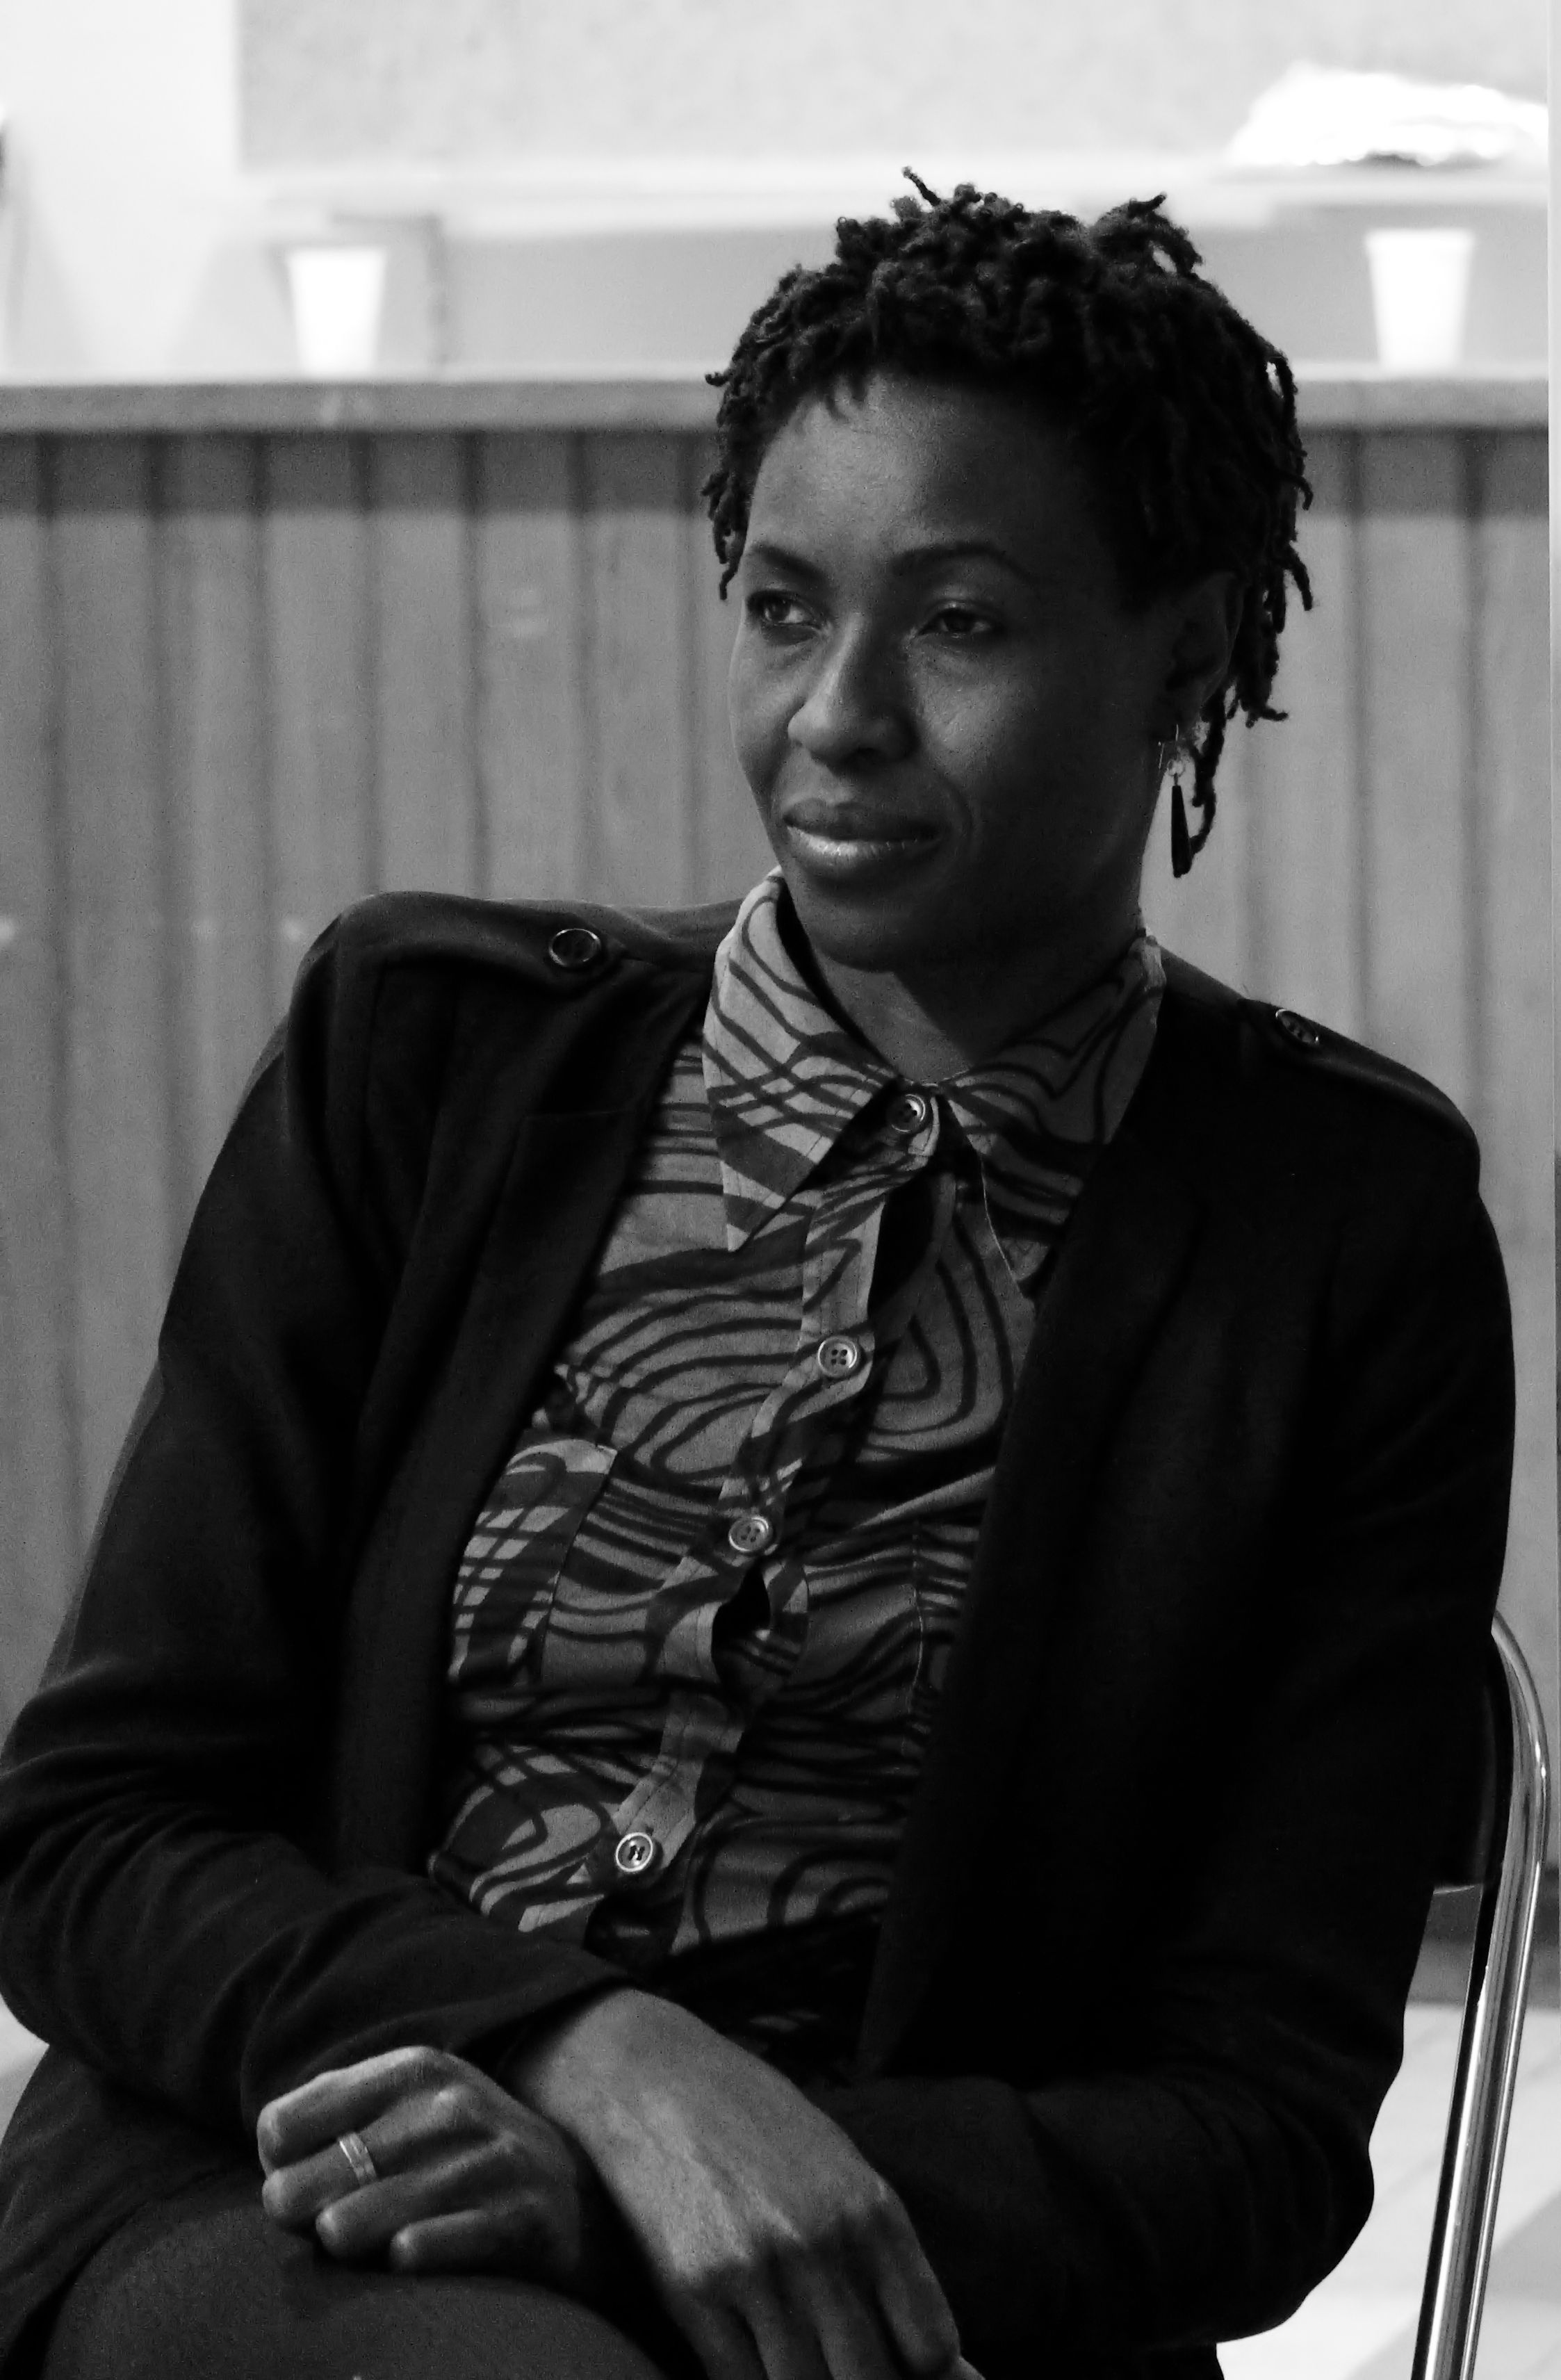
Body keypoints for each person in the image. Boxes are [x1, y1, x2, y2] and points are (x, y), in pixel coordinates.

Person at [0, 177, 1514, 2380]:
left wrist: (717, 2181)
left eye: (962, 625)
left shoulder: (1334, 1230)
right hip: (285, 2195)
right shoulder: (426, 1061)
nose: (839, 714)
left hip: (906, 2288)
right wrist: (597, 2060)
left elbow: (1252, 2136)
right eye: (785, 610)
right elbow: (94, 1836)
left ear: (1188, 662)